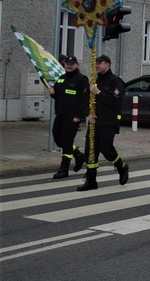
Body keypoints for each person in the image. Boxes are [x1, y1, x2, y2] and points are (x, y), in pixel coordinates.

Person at [77, 55, 129, 191]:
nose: (97, 65)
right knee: (90, 151)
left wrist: (98, 92)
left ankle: (121, 166)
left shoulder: (115, 82)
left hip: (108, 121)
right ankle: (91, 180)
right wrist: (88, 113)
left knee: (106, 148)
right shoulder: (94, 81)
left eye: (100, 63)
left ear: (108, 64)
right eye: (96, 63)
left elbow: (115, 101)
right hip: (94, 121)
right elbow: (85, 100)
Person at [48, 55, 88, 179]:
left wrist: (79, 115)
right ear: (65, 65)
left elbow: (84, 99)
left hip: (72, 116)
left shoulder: (82, 79)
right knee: (58, 139)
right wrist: (52, 94)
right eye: (67, 64)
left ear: (76, 65)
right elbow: (59, 96)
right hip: (60, 114)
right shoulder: (61, 78)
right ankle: (79, 155)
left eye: (72, 64)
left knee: (67, 140)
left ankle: (64, 169)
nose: (69, 66)